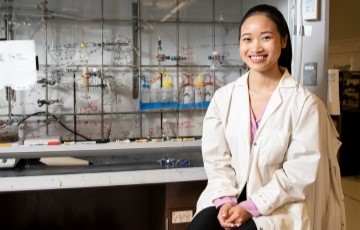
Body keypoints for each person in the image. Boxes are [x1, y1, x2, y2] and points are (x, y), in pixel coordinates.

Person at [187, 4, 346, 230]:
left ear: (283, 40)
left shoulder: (305, 104)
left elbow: (298, 173)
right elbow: (216, 159)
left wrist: (250, 207)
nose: (256, 47)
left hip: (280, 205)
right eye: (247, 39)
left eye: (265, 37)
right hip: (228, 196)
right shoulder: (223, 98)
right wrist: (225, 202)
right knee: (199, 228)